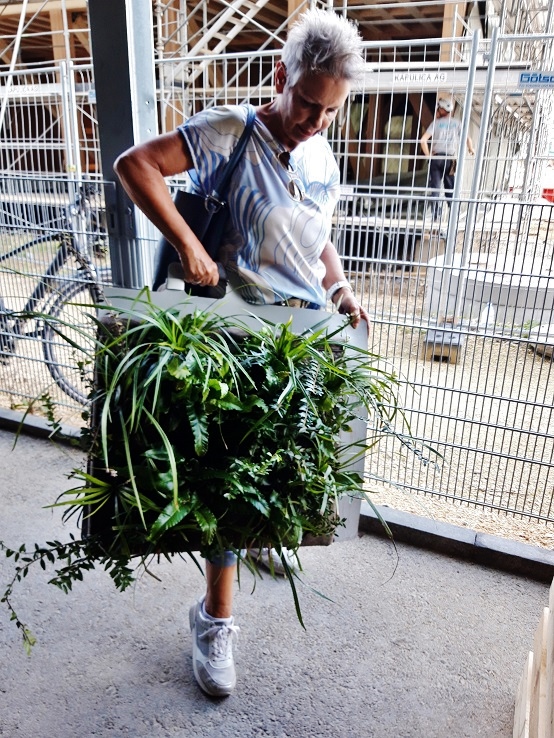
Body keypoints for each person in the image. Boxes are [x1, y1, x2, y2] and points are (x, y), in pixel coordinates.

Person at [114, 8, 369, 698]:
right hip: (233, 335)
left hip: (298, 338)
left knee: (276, 468)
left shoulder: (319, 151)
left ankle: (259, 535)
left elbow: (316, 235)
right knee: (226, 482)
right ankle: (215, 621)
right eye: (307, 104)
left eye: (329, 112)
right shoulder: (230, 131)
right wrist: (192, 247)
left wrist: (340, 288)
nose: (314, 122)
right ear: (281, 77)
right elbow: (135, 165)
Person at [420, 96, 475, 223]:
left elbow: (423, 140)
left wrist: (428, 156)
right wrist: (471, 149)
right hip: (450, 160)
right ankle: (454, 213)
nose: (437, 110)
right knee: (450, 187)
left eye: (439, 108)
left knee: (435, 188)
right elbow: (468, 139)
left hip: (437, 158)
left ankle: (435, 216)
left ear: (443, 109)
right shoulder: (457, 123)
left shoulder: (435, 123)